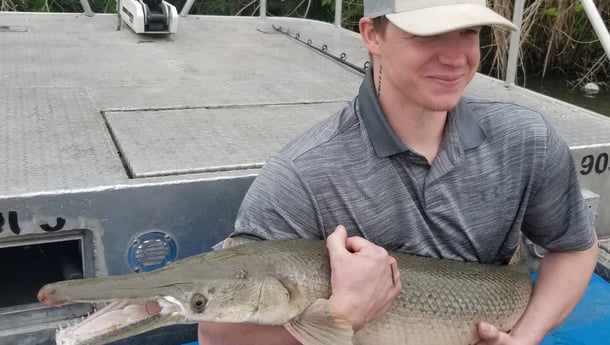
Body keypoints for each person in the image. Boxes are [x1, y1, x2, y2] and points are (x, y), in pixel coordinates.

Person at [198, 0, 599, 344]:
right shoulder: (302, 176)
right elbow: (216, 333)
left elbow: (573, 246)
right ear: (372, 35)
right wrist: (345, 313)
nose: (455, 57)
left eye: (469, 32)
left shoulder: (527, 140)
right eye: (427, 35)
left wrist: (525, 336)